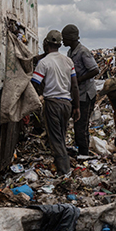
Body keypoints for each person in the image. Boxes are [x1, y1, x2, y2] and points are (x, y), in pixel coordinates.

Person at [31, 30, 80, 174]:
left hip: (52, 103)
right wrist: (76, 107)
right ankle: (64, 166)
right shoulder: (68, 61)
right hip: (67, 104)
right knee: (62, 136)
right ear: (59, 45)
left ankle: (64, 171)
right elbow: (75, 85)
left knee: (56, 138)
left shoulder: (44, 62)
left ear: (46, 43)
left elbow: (35, 83)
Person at [62, 24, 100, 157]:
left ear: (70, 39)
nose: (62, 41)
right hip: (78, 94)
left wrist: (79, 79)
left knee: (81, 126)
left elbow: (95, 70)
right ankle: (80, 150)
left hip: (86, 94)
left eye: (64, 39)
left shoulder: (83, 51)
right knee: (77, 124)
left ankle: (84, 154)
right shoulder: (70, 52)